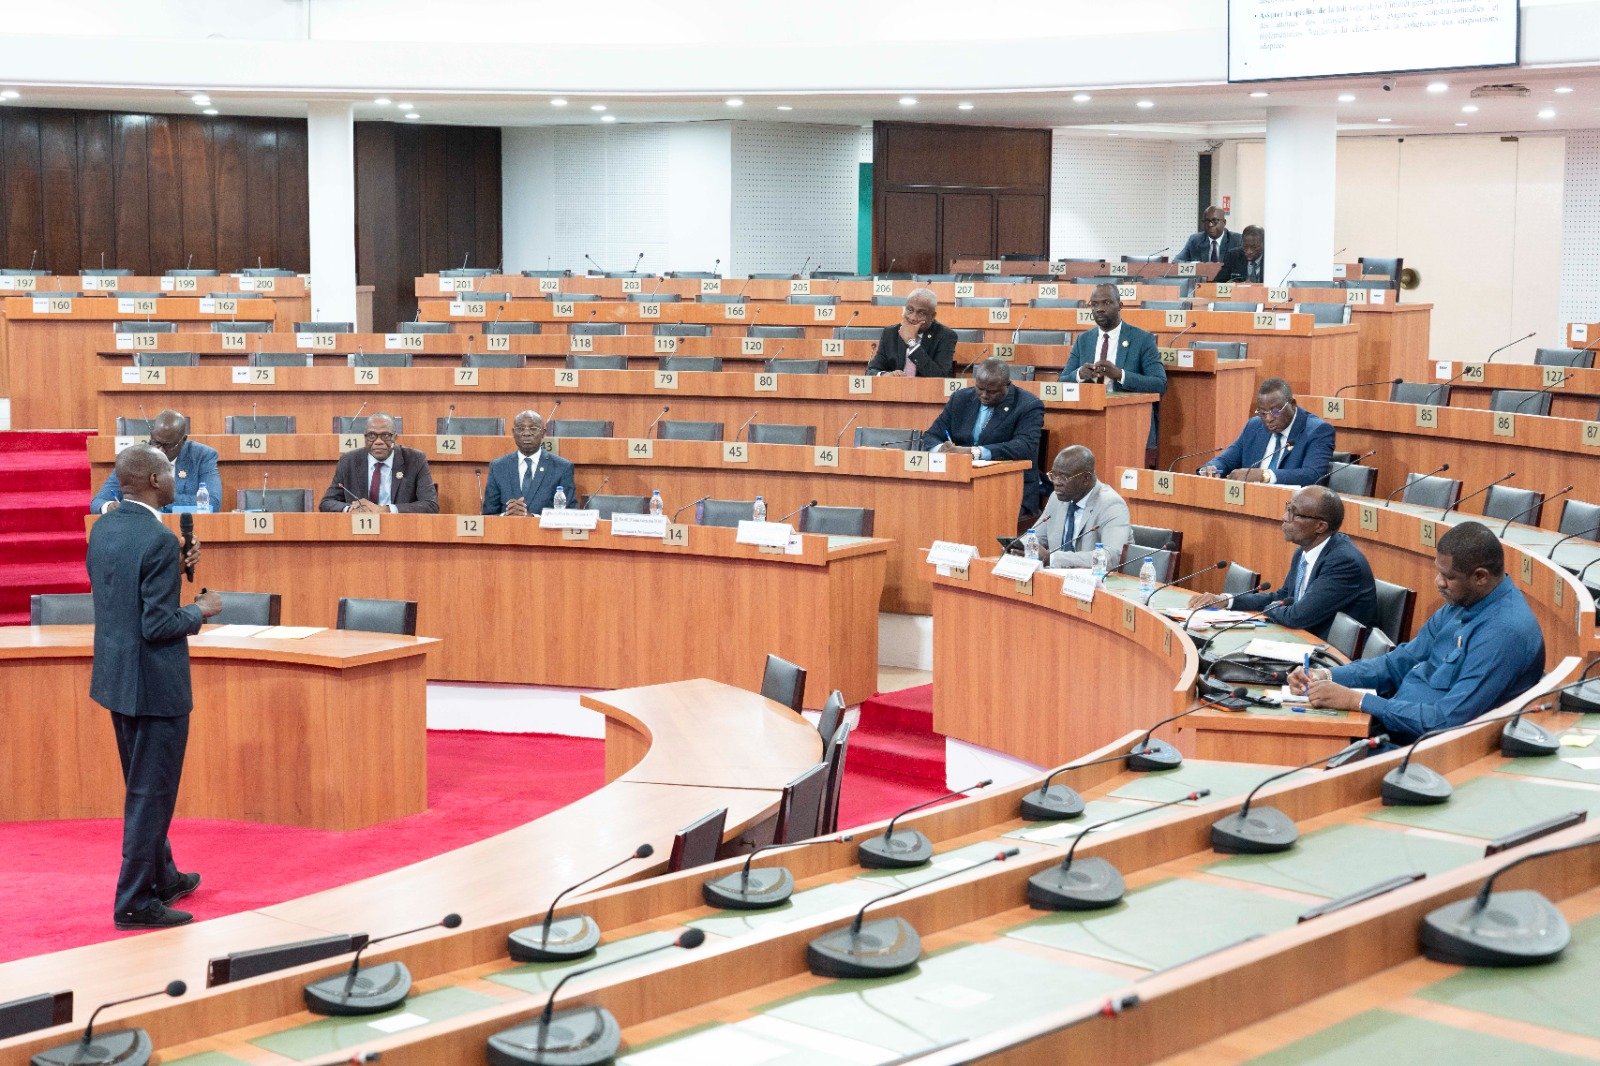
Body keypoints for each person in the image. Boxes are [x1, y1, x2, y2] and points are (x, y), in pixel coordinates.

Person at [87, 444, 223, 929]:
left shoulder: (104, 527)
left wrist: (177, 571)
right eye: (168, 472)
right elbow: (158, 623)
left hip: (116, 678)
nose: (176, 478)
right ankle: (134, 900)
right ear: (151, 480)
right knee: (153, 792)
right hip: (156, 686)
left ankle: (163, 875)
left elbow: (121, 598)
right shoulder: (159, 541)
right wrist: (199, 611)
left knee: (142, 786)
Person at [1289, 521, 1545, 744]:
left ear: (1480, 577)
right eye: (1438, 571)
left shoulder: (1503, 633)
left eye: (1448, 576)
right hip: (1392, 724)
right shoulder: (1462, 603)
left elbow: (1446, 720)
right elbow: (1398, 663)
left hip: (1420, 751)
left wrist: (1358, 701)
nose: (1438, 582)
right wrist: (1328, 675)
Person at [1189, 485, 1377, 640]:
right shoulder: (1304, 551)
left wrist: (1268, 609)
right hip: (1300, 641)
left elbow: (1297, 616)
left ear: (1320, 526)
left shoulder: (1343, 563)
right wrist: (1226, 600)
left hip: (1328, 656)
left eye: (1294, 513)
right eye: (1288, 508)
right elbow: (1284, 596)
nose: (1284, 518)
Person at [1060, 284, 1167, 463]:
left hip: (1129, 423)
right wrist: (1079, 374)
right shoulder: (1084, 340)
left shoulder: (1142, 339)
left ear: (1120, 305)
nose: (1100, 309)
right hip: (1088, 420)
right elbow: (1061, 382)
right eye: (1094, 304)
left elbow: (1159, 384)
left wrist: (1120, 375)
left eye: (1106, 302)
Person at [925, 358, 1045, 508]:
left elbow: (1025, 446)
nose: (984, 395)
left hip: (1007, 489)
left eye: (991, 391)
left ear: (1007, 385)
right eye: (980, 388)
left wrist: (974, 452)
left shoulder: (1028, 405)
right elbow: (931, 436)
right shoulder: (960, 398)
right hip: (959, 483)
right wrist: (942, 449)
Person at [1013, 445, 1132, 569]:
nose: (1056, 483)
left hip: (1096, 582)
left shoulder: (1111, 505)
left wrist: (1052, 558)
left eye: (1064, 477)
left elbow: (1112, 556)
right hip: (1056, 579)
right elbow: (1036, 537)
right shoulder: (1057, 498)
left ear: (1086, 478)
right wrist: (1017, 547)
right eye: (1053, 475)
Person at [1199, 377, 1334, 485]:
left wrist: (1264, 475)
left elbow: (1313, 476)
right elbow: (1227, 461)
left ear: (1292, 404)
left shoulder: (1318, 430)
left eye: (1275, 412)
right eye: (1263, 412)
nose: (1268, 419)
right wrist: (1211, 468)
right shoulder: (1254, 426)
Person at [91, 409, 220, 514]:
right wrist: (109, 506)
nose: (160, 450)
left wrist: (152, 501)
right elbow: (98, 502)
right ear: (151, 436)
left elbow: (212, 503)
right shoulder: (134, 457)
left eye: (167, 445)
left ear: (183, 440)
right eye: (156, 442)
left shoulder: (202, 456)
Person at [318, 413, 439, 514]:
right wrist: (350, 509)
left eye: (385, 435)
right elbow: (327, 503)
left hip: (400, 530)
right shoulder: (348, 461)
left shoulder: (415, 460)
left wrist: (385, 510)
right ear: (365, 438)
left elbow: (430, 505)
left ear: (395, 437)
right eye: (372, 436)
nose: (378, 442)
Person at [482, 410, 576, 516]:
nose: (526, 433)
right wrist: (506, 515)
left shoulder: (562, 467)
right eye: (520, 429)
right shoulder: (498, 467)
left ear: (543, 433)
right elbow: (488, 514)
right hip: (506, 531)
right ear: (513, 433)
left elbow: (569, 515)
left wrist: (532, 518)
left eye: (533, 429)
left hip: (544, 532)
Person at [868, 287, 956, 377]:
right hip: (895, 388)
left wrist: (912, 344)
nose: (913, 318)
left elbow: (941, 376)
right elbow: (871, 371)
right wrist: (885, 375)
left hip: (926, 389)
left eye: (921, 313)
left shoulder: (945, 336)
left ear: (932, 316)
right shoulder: (891, 333)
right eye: (910, 310)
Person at [1176, 206, 1243, 264]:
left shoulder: (1237, 240)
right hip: (1202, 278)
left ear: (1224, 222)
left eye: (1215, 221)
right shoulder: (1195, 240)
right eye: (1207, 221)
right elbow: (1176, 261)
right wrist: (1195, 265)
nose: (1210, 225)